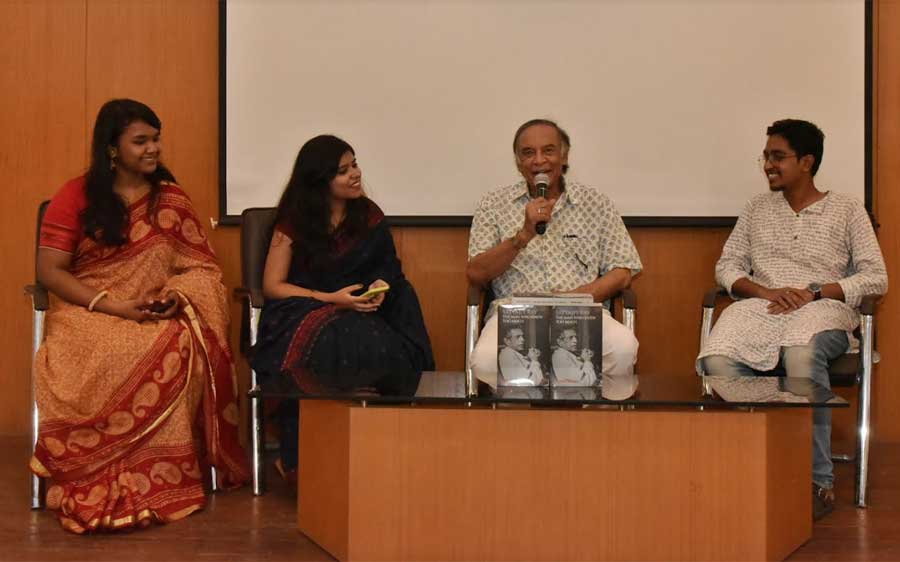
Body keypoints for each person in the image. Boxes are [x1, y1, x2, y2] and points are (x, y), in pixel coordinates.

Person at [30, 99, 249, 534]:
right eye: (141, 141)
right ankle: (95, 469)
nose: (154, 148)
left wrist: (176, 297)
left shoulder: (170, 198)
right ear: (112, 148)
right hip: (86, 309)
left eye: (156, 139)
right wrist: (111, 304)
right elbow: (49, 271)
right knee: (115, 345)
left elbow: (202, 268)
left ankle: (159, 477)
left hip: (151, 310)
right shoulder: (77, 195)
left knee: (178, 339)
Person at [698, 119, 888, 521]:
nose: (768, 164)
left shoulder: (847, 207)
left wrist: (817, 292)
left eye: (777, 156)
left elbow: (875, 277)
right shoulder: (756, 208)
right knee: (717, 360)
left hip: (822, 308)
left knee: (801, 356)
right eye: (766, 156)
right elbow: (727, 265)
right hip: (762, 307)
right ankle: (760, 462)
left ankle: (816, 481)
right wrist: (764, 291)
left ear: (806, 161)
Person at [250, 134, 435, 476]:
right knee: (342, 335)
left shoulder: (368, 215)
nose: (355, 174)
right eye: (342, 171)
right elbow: (273, 286)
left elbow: (388, 268)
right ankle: (313, 461)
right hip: (305, 307)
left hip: (364, 306)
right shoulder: (293, 221)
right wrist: (330, 299)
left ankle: (384, 449)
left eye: (355, 164)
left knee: (393, 320)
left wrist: (381, 285)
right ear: (320, 180)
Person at [466, 118, 642, 399]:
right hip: (516, 314)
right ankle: (524, 428)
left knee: (623, 349)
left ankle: (588, 424)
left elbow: (623, 270)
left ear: (564, 155)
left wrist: (574, 298)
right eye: (528, 153)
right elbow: (476, 273)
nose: (539, 161)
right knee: (485, 361)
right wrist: (522, 235)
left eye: (548, 151)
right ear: (517, 161)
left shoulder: (595, 203)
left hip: (581, 311)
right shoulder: (493, 204)